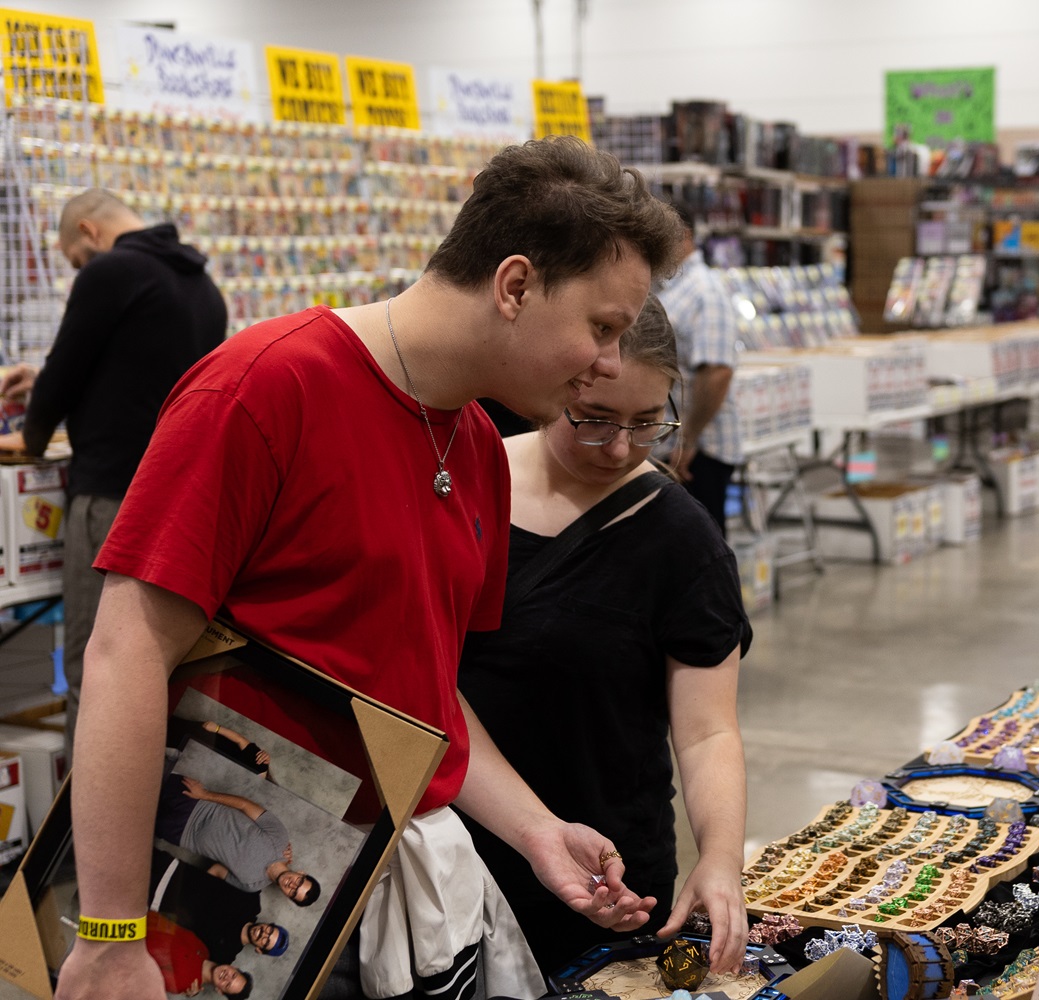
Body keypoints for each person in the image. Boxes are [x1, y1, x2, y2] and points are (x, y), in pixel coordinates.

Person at [56, 137, 683, 1000]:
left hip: (374, 894)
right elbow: (124, 655)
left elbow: (418, 691)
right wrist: (112, 934)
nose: (610, 361)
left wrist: (537, 830)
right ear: (514, 286)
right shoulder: (264, 389)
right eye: (601, 327)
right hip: (226, 905)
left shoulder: (475, 445)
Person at [459, 297, 751, 976]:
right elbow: (420, 686)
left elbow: (708, 732)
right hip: (450, 855)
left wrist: (720, 858)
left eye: (647, 423)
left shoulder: (682, 539)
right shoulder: (466, 486)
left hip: (608, 879)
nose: (620, 448)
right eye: (593, 421)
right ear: (550, 391)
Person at [0, 189, 226, 752]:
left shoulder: (111, 272)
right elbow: (141, 371)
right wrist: (50, 375)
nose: (80, 268)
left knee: (93, 667)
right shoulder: (201, 286)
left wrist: (27, 434)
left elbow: (69, 370)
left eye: (75, 257)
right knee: (162, 671)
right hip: (184, 510)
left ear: (88, 231)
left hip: (111, 502)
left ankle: (74, 836)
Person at [657, 204, 742, 533]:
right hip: (678, 448)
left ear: (684, 237)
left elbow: (717, 372)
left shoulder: (704, 292)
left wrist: (688, 439)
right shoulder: (672, 287)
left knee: (701, 546)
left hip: (700, 453)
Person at [153, 774, 317, 903]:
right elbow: (244, 805)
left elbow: (217, 870)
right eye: (299, 882)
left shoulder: (252, 886)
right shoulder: (280, 838)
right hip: (194, 804)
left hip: (181, 835)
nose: (292, 885)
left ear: (288, 896)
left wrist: (193, 892)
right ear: (302, 873)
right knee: (143, 774)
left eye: (294, 892)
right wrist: (204, 794)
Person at [150, 848, 289, 964]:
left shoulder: (225, 955)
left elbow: (185, 954)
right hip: (170, 869)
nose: (264, 934)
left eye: (266, 942)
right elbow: (220, 869)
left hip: (156, 903)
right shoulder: (251, 902)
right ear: (270, 924)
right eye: (270, 931)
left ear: (259, 950)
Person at [143, 911, 252, 998]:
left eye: (227, 985)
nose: (226, 977)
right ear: (234, 967)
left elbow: (143, 969)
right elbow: (172, 926)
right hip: (142, 914)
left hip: (131, 936)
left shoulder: (184, 985)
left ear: (220, 991)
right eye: (233, 975)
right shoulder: (204, 950)